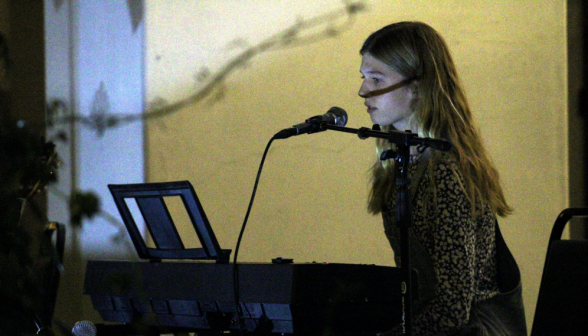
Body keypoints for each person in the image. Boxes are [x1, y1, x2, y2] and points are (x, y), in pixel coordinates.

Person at [358, 21, 527, 335]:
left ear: (418, 85)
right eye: (363, 78)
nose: (362, 91)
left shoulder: (445, 172)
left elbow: (452, 312)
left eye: (376, 78)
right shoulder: (401, 162)